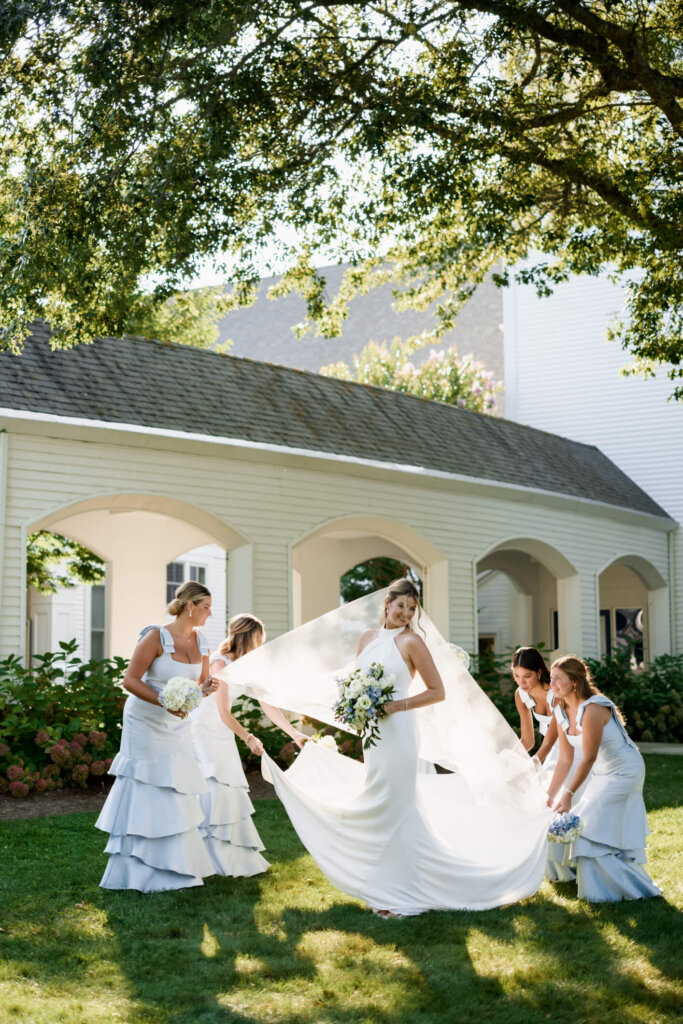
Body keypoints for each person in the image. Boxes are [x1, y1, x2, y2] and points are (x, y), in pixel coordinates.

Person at [223, 579, 552, 917]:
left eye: (412, 610)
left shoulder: (413, 641)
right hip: (374, 733)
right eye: (400, 607)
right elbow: (353, 681)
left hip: (401, 730)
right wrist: (355, 705)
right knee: (378, 802)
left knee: (397, 804)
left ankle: (402, 892)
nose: (406, 614)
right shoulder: (367, 638)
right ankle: (383, 884)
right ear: (386, 604)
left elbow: (438, 691)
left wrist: (395, 706)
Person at [96, 581, 217, 892]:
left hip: (178, 724)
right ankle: (135, 871)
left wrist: (204, 690)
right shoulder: (155, 636)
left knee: (175, 785)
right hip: (145, 721)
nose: (210, 613)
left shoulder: (203, 642)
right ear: (190, 606)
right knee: (146, 784)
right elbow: (130, 680)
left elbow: (200, 684)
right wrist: (164, 701)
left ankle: (176, 867)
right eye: (206, 607)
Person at [191, 613, 308, 876]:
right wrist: (249, 738)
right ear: (245, 638)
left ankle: (227, 855)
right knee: (211, 783)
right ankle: (202, 855)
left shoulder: (248, 668)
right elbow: (223, 712)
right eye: (258, 641)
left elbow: (269, 705)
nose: (260, 647)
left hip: (222, 730)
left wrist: (294, 734)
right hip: (205, 729)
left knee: (228, 784)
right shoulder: (220, 665)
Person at [547, 656, 662, 902]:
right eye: (551, 678)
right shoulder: (560, 710)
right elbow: (566, 760)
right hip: (602, 773)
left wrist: (568, 795)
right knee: (590, 828)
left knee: (587, 826)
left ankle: (635, 891)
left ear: (575, 682)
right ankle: (600, 894)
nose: (552, 684)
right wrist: (551, 795)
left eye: (558, 678)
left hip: (624, 772)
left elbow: (587, 758)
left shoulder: (594, 707)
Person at [512, 647, 557, 763]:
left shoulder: (558, 693)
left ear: (539, 672)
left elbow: (550, 741)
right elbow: (527, 741)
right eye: (517, 676)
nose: (521, 683)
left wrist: (534, 763)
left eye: (527, 676)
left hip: (577, 746)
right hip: (553, 750)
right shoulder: (521, 695)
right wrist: (508, 759)